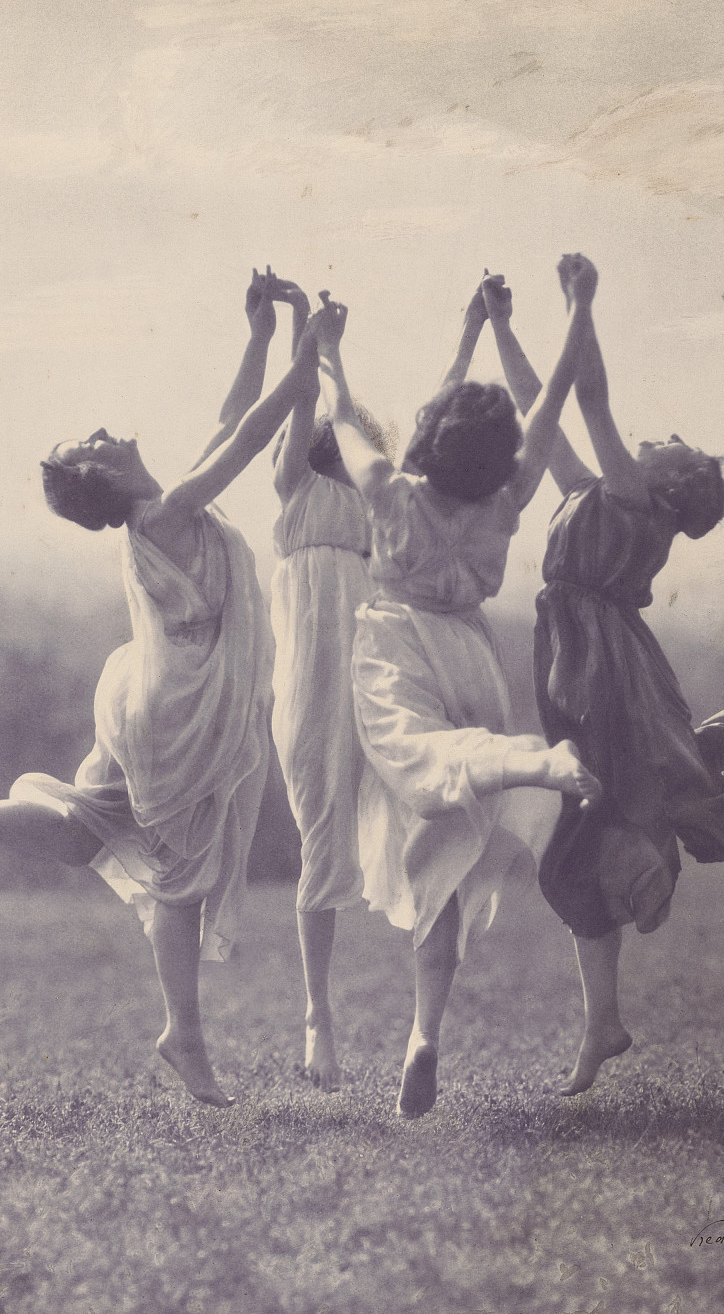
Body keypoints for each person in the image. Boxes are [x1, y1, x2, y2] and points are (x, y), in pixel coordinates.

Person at [0, 271, 335, 1109]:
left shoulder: (160, 508)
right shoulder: (165, 515)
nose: (111, 431)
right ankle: (181, 1037)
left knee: (87, 831)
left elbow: (232, 422)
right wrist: (312, 348)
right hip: (180, 712)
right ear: (106, 478)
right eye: (96, 441)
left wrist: (262, 334)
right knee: (176, 883)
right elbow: (251, 437)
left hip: (148, 695)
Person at [483, 257, 724, 1096]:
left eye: (670, 446)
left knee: (636, 815)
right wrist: (508, 327)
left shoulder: (631, 501)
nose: (656, 438)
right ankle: (602, 1024)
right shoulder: (606, 495)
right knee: (599, 836)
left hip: (608, 678)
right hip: (584, 668)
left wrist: (581, 301)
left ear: (670, 483)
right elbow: (539, 412)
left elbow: (589, 398)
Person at [309, 272, 600, 1119]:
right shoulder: (507, 497)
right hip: (472, 654)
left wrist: (328, 352)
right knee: (442, 852)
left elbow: (346, 422)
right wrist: (568, 310)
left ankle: (535, 762)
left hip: (399, 644)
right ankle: (422, 1034)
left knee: (418, 762)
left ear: (428, 445)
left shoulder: (390, 497)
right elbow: (544, 406)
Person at [269, 280, 391, 1092]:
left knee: (410, 818)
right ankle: (317, 1015)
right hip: (311, 686)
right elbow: (302, 408)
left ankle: (426, 1019)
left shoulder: (373, 509)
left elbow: (353, 417)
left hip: (375, 671)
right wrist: (305, 340)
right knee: (321, 838)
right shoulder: (298, 491)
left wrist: (338, 349)